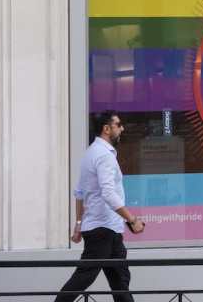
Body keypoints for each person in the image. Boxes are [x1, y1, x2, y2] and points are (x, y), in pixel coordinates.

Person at [55, 111, 145, 302]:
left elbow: (80, 193)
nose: (122, 128)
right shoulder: (104, 156)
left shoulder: (91, 153)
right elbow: (108, 194)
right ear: (106, 129)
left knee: (120, 282)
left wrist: (78, 224)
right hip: (102, 230)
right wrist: (132, 219)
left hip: (106, 229)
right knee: (83, 278)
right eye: (118, 124)